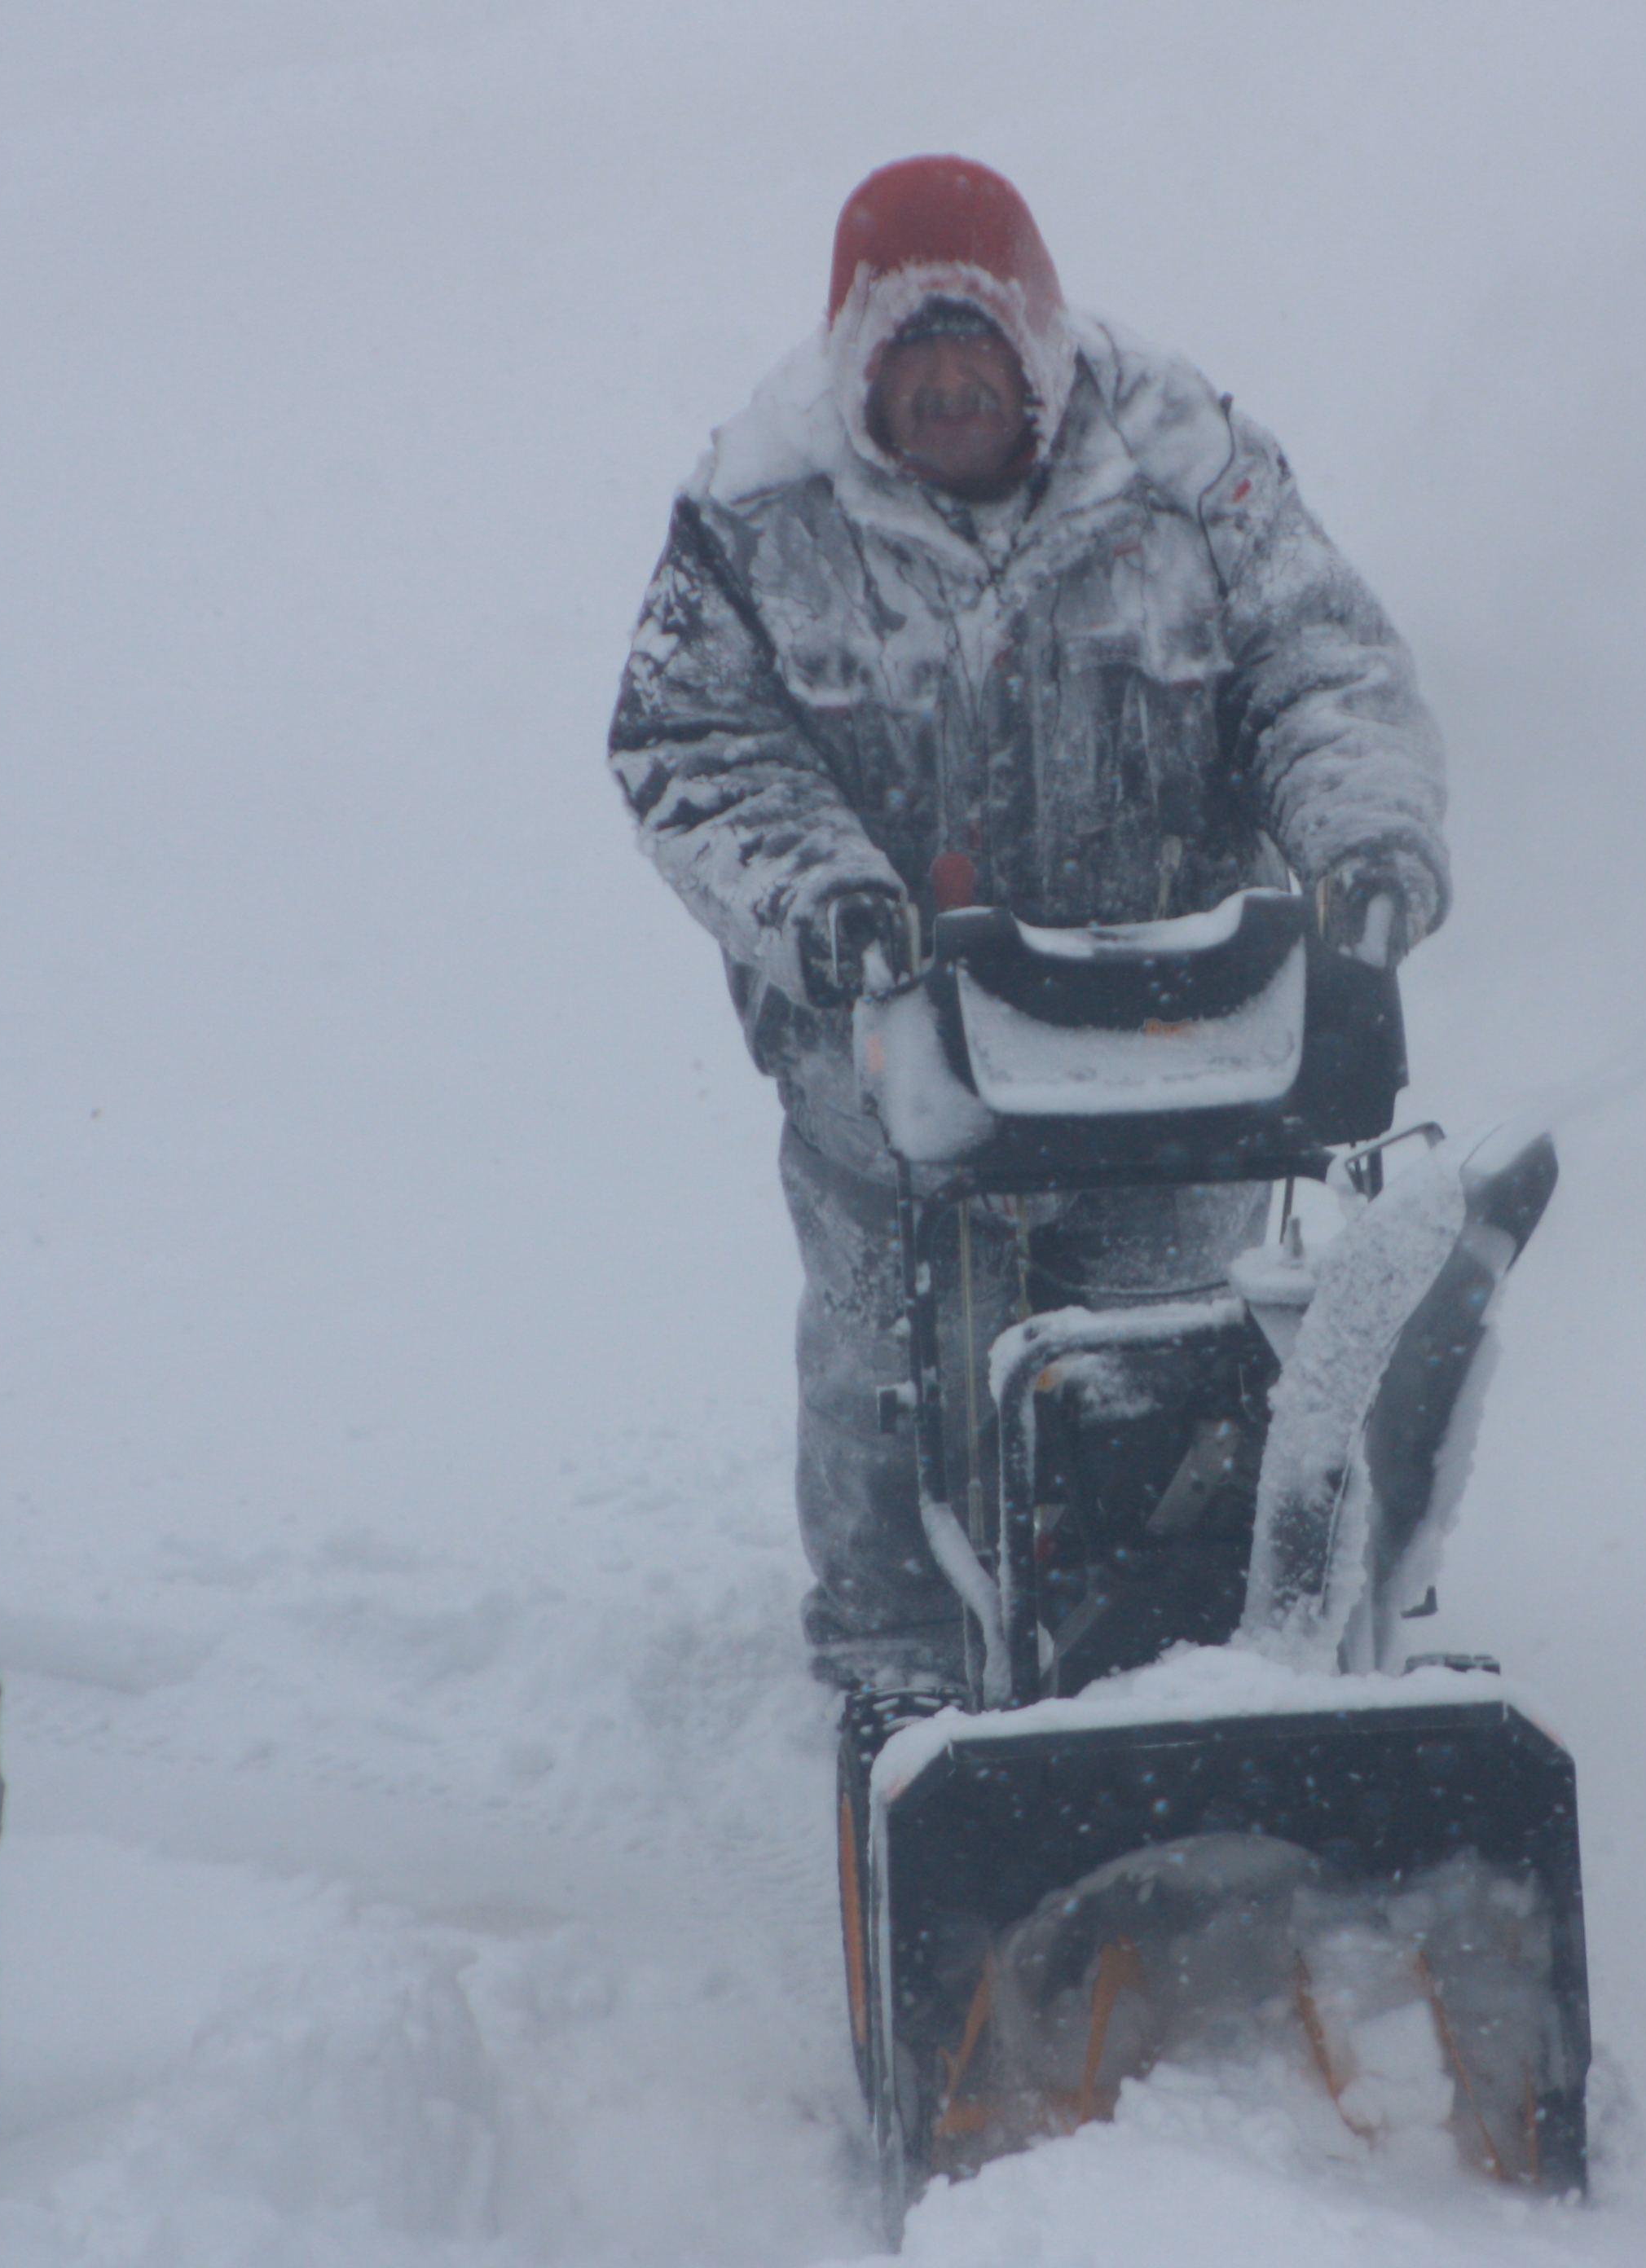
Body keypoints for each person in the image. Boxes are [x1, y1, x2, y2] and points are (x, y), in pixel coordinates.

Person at [606, 156, 1448, 1696]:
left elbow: (1321, 668)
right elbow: (691, 743)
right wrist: (823, 899)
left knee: (1166, 1365)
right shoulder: (759, 514)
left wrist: (1364, 840)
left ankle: (1167, 1653)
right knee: (892, 1367)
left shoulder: (1193, 470)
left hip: (1175, 1041)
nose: (947, 388)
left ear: (1040, 346)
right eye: (909, 358)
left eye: (975, 349)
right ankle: (900, 1660)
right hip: (895, 1055)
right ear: (855, 365)